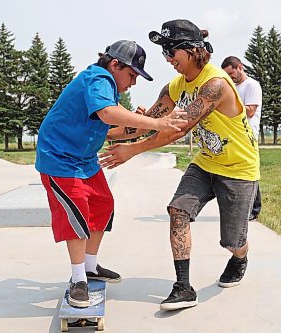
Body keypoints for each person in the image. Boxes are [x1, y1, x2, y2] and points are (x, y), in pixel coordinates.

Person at [99, 20, 260, 311]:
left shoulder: (215, 85)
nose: (168, 59)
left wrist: (132, 151)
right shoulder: (175, 86)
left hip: (239, 169)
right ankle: (184, 287)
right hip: (205, 164)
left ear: (192, 50)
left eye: (171, 51)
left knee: (233, 242)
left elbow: (177, 129)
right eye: (165, 53)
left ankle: (240, 257)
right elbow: (147, 123)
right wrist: (96, 132)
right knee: (178, 211)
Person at [34, 40, 187, 308]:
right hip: (59, 160)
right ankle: (78, 279)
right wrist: (156, 122)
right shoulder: (99, 77)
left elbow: (111, 128)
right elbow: (107, 114)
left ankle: (91, 267)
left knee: (103, 205)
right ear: (115, 64)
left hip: (84, 161)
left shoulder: (105, 88)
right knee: (77, 213)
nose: (133, 83)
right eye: (131, 75)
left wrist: (142, 126)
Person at [221, 56, 263, 221]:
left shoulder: (252, 86)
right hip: (233, 135)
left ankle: (254, 208)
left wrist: (228, 107)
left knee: (249, 172)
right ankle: (240, 206)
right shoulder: (232, 87)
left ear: (240, 67)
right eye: (227, 74)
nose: (230, 77)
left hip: (248, 135)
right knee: (236, 173)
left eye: (232, 73)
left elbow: (251, 111)